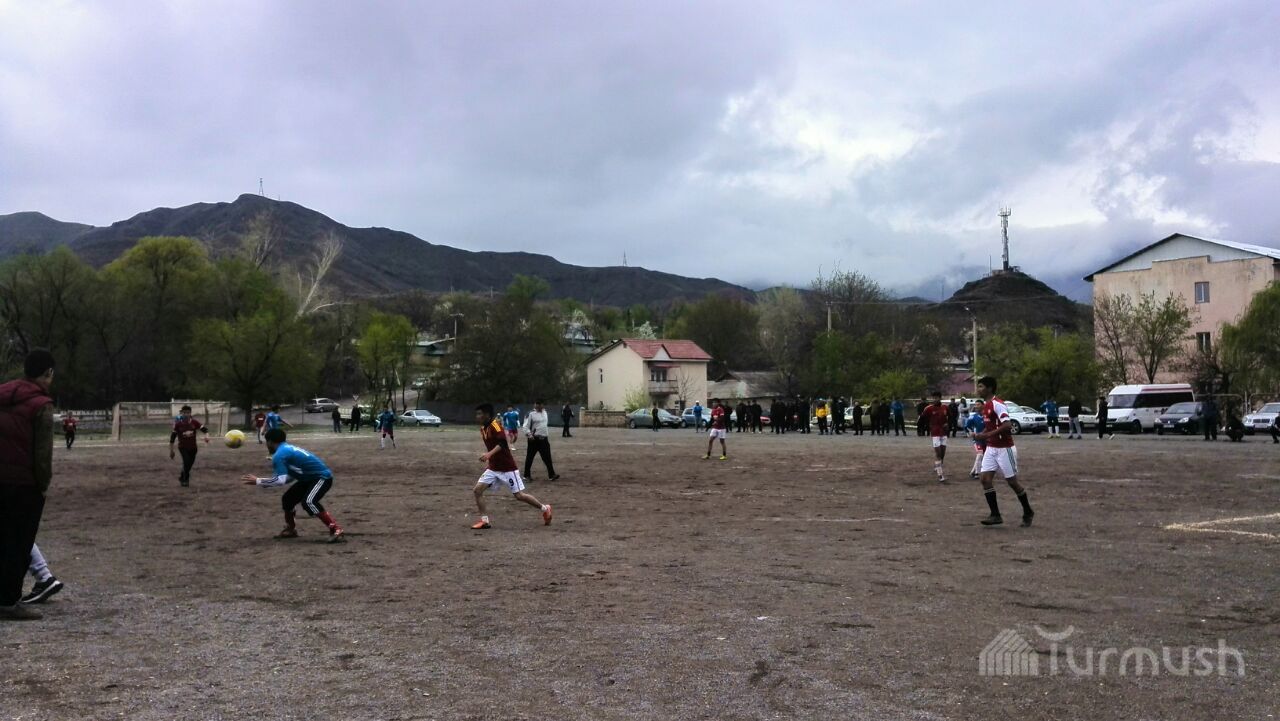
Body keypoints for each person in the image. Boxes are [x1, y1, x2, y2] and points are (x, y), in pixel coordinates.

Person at [0, 349, 55, 621]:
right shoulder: (41, 404)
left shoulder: (3, 394)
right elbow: (42, 454)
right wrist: (43, 484)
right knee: (19, 543)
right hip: (24, 484)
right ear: (48, 373)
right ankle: (8, 600)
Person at [241, 428, 345, 542]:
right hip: (309, 478)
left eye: (267, 442)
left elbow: (280, 480)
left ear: (270, 442)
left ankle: (336, 529)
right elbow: (290, 476)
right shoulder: (286, 449)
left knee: (309, 502)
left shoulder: (279, 455)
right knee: (288, 499)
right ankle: (291, 529)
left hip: (322, 478)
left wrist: (259, 481)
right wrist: (266, 482)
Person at [470, 404, 552, 530]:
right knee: (477, 491)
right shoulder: (483, 428)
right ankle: (484, 521)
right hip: (493, 468)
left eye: (480, 414)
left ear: (487, 415)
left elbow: (503, 443)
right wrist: (490, 456)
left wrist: (488, 454)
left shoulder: (495, 425)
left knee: (519, 496)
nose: (477, 416)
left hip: (507, 468)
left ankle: (545, 509)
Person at [972, 376, 1035, 527]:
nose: (978, 389)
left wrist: (986, 435)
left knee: (1012, 482)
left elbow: (1007, 425)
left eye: (981, 386)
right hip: (991, 448)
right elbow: (991, 426)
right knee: (985, 479)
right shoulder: (986, 406)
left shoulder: (998, 404)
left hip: (1005, 449)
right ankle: (995, 515)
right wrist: (981, 434)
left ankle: (1028, 511)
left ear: (990, 388)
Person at [170, 404, 210, 488]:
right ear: (182, 413)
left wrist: (207, 436)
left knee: (188, 465)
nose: (186, 414)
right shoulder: (178, 424)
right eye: (184, 413)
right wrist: (171, 450)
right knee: (186, 462)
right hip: (183, 447)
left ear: (190, 413)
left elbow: (205, 430)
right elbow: (172, 438)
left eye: (188, 413)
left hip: (193, 448)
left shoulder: (194, 422)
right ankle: (185, 480)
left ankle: (182, 476)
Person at [521, 399, 560, 481]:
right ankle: (526, 475)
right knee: (530, 457)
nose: (538, 406)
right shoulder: (530, 414)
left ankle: (551, 475)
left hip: (544, 439)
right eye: (537, 404)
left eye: (540, 404)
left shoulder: (545, 412)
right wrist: (529, 435)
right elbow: (525, 426)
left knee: (547, 457)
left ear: (542, 405)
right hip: (534, 439)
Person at [919, 390, 951, 483]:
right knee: (938, 453)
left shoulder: (945, 407)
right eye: (933, 398)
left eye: (936, 398)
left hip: (943, 433)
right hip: (935, 433)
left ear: (940, 398)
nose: (934, 399)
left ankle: (937, 466)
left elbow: (950, 417)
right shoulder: (929, 408)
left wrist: (947, 424)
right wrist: (927, 427)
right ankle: (940, 475)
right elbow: (922, 418)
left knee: (942, 454)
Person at [964, 407, 986, 479]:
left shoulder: (987, 417)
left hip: (986, 439)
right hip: (977, 439)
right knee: (980, 453)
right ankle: (976, 473)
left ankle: (973, 471)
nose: (977, 407)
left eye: (978, 405)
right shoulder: (973, 417)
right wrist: (970, 432)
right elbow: (966, 426)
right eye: (976, 405)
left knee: (983, 456)